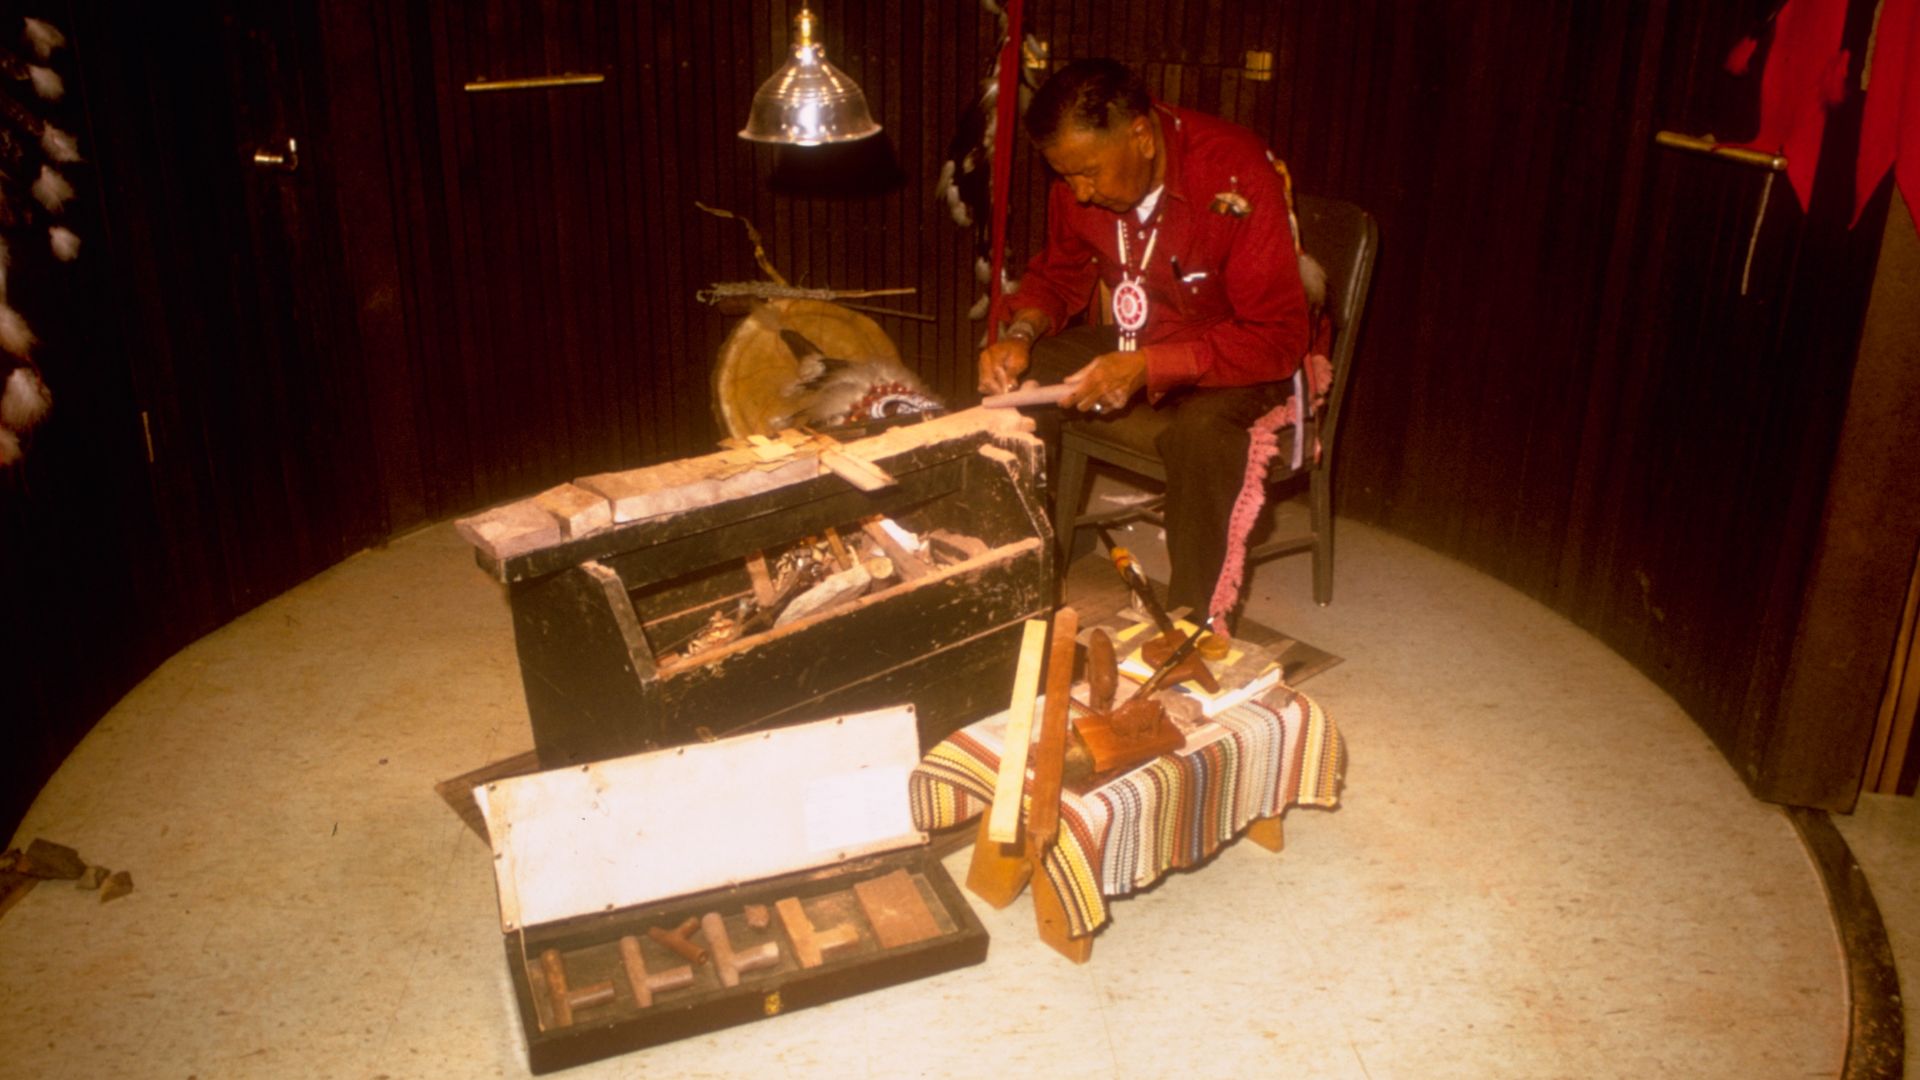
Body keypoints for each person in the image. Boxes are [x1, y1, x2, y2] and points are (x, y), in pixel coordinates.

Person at [978, 58, 1312, 621]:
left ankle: (1192, 621)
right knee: (1021, 386)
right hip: (1147, 333)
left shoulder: (1235, 173)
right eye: (1065, 176)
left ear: (1140, 136)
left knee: (1203, 436)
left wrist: (1152, 366)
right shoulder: (1080, 181)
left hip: (1240, 355)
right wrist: (1021, 331)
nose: (1078, 194)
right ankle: (1027, 565)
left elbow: (1277, 338)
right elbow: (1059, 277)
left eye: (1088, 173)